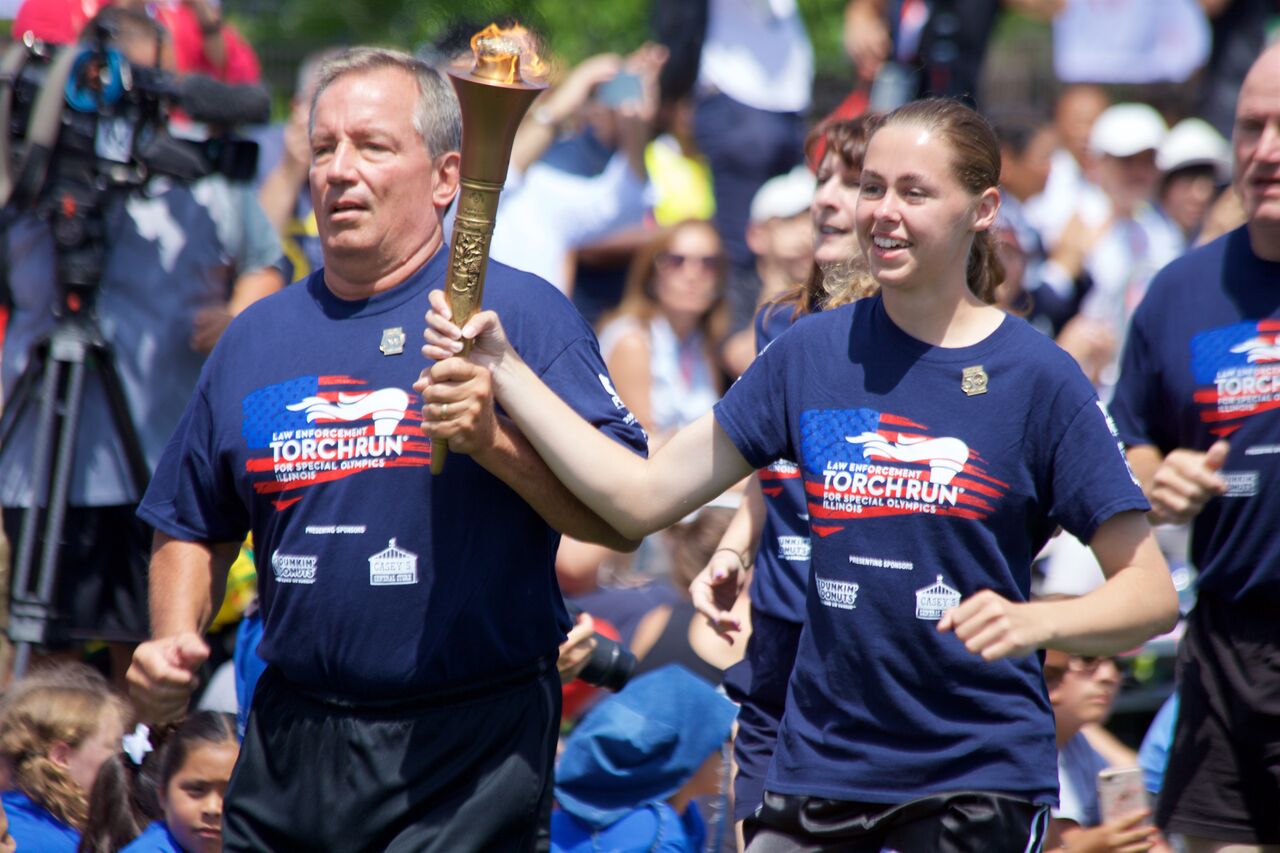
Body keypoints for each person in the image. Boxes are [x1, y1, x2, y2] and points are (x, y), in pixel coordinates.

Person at [422, 96, 1178, 848]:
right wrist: (506, 368)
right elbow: (639, 495)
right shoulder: (810, 354)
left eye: (915, 192)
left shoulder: (1038, 377)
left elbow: (1149, 594)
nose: (883, 212)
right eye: (873, 187)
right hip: (820, 767)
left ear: (982, 210)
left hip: (973, 778)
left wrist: (1036, 621)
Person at [125, 47, 647, 852]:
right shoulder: (256, 338)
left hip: (468, 751)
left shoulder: (520, 316)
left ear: (446, 177)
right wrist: (170, 638)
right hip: (291, 736)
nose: (339, 169)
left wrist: (493, 442)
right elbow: (191, 521)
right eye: (323, 147)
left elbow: (621, 516)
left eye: (372, 146)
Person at [0, 7, 283, 683]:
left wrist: (239, 314)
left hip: (156, 461)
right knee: (48, 664)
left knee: (148, 653)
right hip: (41, 460)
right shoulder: (31, 164)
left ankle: (145, 754)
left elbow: (266, 262)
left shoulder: (198, 171)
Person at [1107, 42, 1280, 852]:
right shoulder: (1180, 292)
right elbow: (1130, 443)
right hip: (1227, 648)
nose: (1266, 151)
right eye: (1251, 127)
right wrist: (1157, 480)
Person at [688, 114, 880, 833]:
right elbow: (769, 461)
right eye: (820, 178)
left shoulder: (933, 343)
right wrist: (735, 551)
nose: (824, 198)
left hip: (874, 653)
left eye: (851, 182)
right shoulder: (779, 325)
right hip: (779, 635)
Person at [550, 665, 737, 853]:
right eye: (723, 739)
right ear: (686, 755)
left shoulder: (686, 818)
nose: (732, 752)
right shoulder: (659, 839)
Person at [596, 219, 728, 444]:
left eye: (708, 263)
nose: (693, 274)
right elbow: (637, 443)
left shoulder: (705, 345)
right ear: (651, 274)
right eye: (677, 261)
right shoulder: (631, 341)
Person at [0, 665, 130, 853]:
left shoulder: (9, 816)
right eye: (114, 747)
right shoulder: (61, 845)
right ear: (62, 757)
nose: (123, 761)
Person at [1042, 648, 1160, 852]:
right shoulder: (1024, 752)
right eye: (1087, 659)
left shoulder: (1079, 741)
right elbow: (1061, 844)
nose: (1110, 676)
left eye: (1117, 664)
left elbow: (1132, 774)